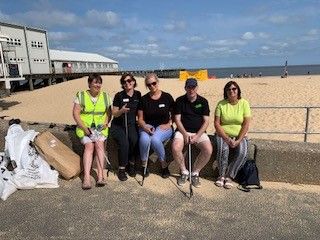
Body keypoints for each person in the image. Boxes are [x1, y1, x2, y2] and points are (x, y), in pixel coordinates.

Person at [73, 74, 112, 190]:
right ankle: (86, 178)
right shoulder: (81, 95)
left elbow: (109, 114)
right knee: (89, 146)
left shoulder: (106, 96)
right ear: (89, 84)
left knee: (100, 145)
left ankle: (100, 176)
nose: (97, 85)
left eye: (99, 82)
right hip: (85, 128)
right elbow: (75, 113)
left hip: (100, 129)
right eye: (95, 82)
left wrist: (105, 124)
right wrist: (85, 129)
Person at [172, 78, 212, 188]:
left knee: (208, 150)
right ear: (185, 88)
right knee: (176, 148)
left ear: (197, 88)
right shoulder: (179, 101)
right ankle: (184, 171)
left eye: (193, 87)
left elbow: (206, 121)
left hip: (199, 132)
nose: (191, 89)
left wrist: (197, 135)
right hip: (182, 131)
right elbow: (177, 120)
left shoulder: (203, 101)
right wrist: (185, 134)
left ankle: (195, 172)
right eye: (189, 87)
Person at [214, 81, 251, 189]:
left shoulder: (244, 103)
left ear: (238, 90)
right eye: (229, 89)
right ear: (226, 92)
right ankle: (221, 175)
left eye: (234, 89)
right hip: (223, 134)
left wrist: (238, 140)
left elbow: (246, 123)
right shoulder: (221, 104)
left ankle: (230, 175)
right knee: (223, 150)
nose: (231, 91)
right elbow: (216, 123)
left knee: (243, 153)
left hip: (240, 134)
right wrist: (226, 138)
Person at [137, 73, 174, 178]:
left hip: (164, 126)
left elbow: (175, 114)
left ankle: (164, 165)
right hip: (146, 126)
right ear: (147, 86)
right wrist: (145, 127)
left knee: (154, 139)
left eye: (154, 83)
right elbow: (140, 119)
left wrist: (169, 123)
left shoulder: (167, 97)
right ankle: (144, 165)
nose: (152, 86)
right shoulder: (143, 99)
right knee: (144, 139)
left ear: (157, 82)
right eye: (149, 85)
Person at [110, 73, 141, 181]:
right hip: (118, 125)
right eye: (124, 82)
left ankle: (131, 165)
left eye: (129, 81)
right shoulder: (119, 95)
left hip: (132, 124)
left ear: (133, 82)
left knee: (135, 140)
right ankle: (122, 169)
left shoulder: (138, 94)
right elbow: (114, 113)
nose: (127, 83)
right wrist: (121, 111)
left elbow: (140, 111)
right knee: (124, 143)